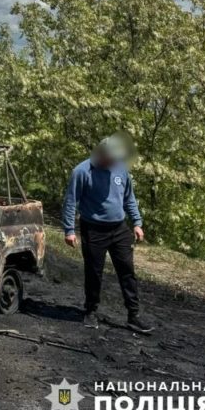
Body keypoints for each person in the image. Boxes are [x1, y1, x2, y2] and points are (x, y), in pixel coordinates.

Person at [62, 133, 153, 333]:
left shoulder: (121, 169)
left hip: (119, 229)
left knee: (127, 271)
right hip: (93, 229)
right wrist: (69, 230)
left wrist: (137, 223)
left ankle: (133, 315)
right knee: (94, 272)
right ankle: (91, 311)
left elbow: (129, 198)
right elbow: (70, 201)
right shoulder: (82, 171)